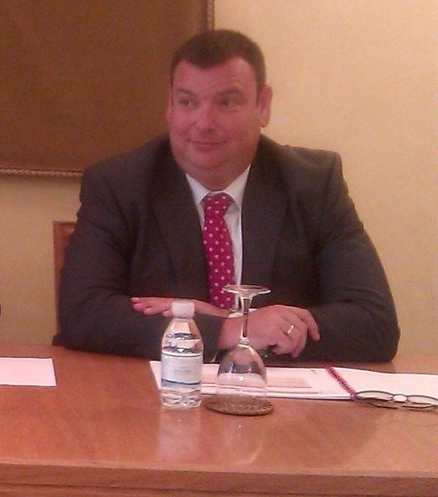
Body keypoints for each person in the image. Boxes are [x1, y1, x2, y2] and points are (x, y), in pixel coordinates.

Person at [55, 29, 398, 363]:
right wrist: (232, 328)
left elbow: (375, 325)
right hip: (151, 392)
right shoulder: (120, 184)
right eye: (187, 102)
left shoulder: (312, 185)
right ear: (169, 104)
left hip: (278, 396)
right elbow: (81, 314)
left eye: (226, 102)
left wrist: (234, 321)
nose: (203, 122)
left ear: (263, 106)